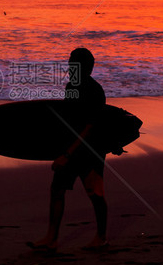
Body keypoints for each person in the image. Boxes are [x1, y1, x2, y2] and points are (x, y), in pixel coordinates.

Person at [28, 48, 108, 252]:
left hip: (90, 150)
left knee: (95, 192)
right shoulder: (71, 85)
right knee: (57, 190)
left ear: (85, 68)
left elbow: (90, 128)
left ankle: (101, 238)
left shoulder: (94, 91)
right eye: (69, 63)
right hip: (71, 146)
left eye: (73, 64)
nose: (69, 67)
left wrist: (67, 154)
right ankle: (51, 238)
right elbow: (68, 118)